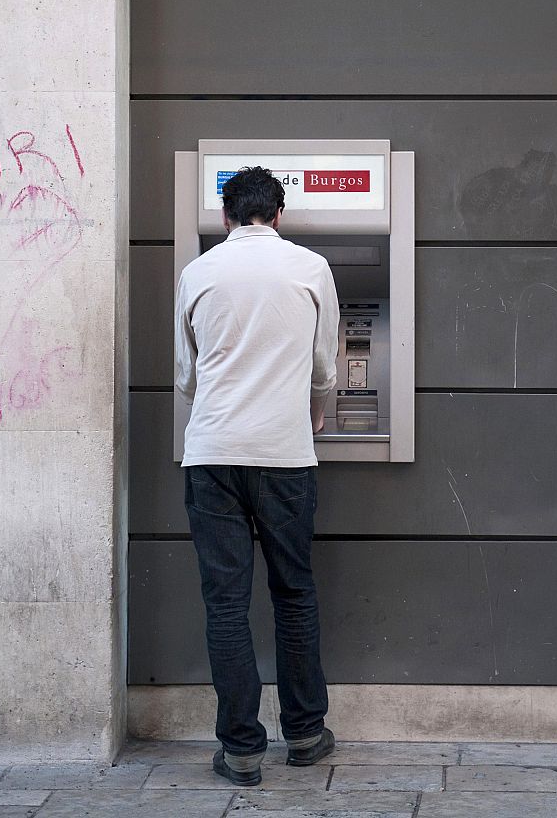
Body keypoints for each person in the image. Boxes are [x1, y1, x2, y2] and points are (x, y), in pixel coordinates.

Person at [174, 165, 340, 787]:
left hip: (213, 455)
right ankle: (303, 733)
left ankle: (241, 749)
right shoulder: (310, 268)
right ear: (279, 214)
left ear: (225, 216)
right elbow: (325, 366)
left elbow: (187, 374)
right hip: (284, 454)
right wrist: (315, 416)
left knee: (226, 604)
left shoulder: (197, 272)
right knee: (293, 593)